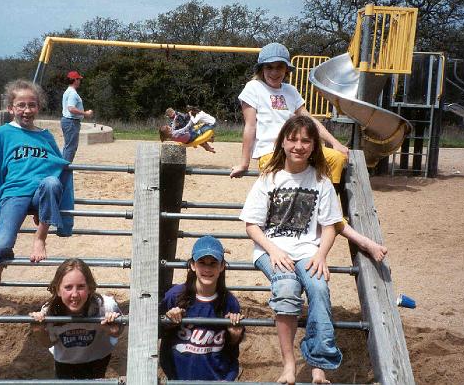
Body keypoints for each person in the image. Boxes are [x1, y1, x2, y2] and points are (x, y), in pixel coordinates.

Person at [230, 42, 387, 262]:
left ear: (287, 70)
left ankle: (323, 209)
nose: (274, 72)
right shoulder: (253, 88)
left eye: (279, 67)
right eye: (269, 67)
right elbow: (250, 126)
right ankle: (345, 229)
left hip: (298, 148)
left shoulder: (291, 91)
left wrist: (335, 143)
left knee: (336, 158)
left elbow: (310, 121)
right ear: (261, 69)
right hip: (272, 153)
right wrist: (244, 163)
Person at [240, 115, 343, 384]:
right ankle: (289, 365)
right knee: (286, 289)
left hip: (308, 250)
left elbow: (330, 226)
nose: (299, 145)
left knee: (319, 289)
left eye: (306, 141)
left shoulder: (321, 181)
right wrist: (273, 251)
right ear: (283, 142)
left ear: (314, 145)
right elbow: (251, 225)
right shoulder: (269, 179)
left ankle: (319, 364)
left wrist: (321, 255)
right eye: (293, 139)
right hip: (271, 250)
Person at [0, 79, 74, 301]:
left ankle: (40, 239)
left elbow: (57, 164)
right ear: (11, 108)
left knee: (52, 183)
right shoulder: (3, 134)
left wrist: (51, 201)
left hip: (41, 191)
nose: (27, 110)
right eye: (21, 105)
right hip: (14, 192)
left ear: (38, 107)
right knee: (1, 245)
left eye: (32, 105)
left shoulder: (45, 135)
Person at [159, 235, 245, 381]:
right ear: (192, 265)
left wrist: (235, 335)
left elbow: (232, 349)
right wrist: (169, 322)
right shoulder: (174, 296)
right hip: (178, 378)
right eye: (202, 262)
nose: (207, 268)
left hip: (217, 379)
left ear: (222, 266)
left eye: (213, 263)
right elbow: (156, 332)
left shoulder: (229, 302)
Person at [30, 258, 123, 379]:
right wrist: (39, 331)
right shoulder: (50, 312)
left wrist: (114, 330)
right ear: (58, 289)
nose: (74, 294)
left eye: (80, 287)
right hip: (65, 362)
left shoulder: (105, 306)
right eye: (68, 287)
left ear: (89, 287)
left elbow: (118, 331)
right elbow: (47, 343)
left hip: (98, 358)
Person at [61, 71, 93, 162]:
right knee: (71, 147)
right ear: (75, 80)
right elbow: (71, 108)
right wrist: (85, 113)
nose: (80, 81)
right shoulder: (72, 93)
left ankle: (64, 168)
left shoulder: (68, 91)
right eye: (78, 79)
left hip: (69, 121)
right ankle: (65, 170)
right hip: (71, 122)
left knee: (68, 147)